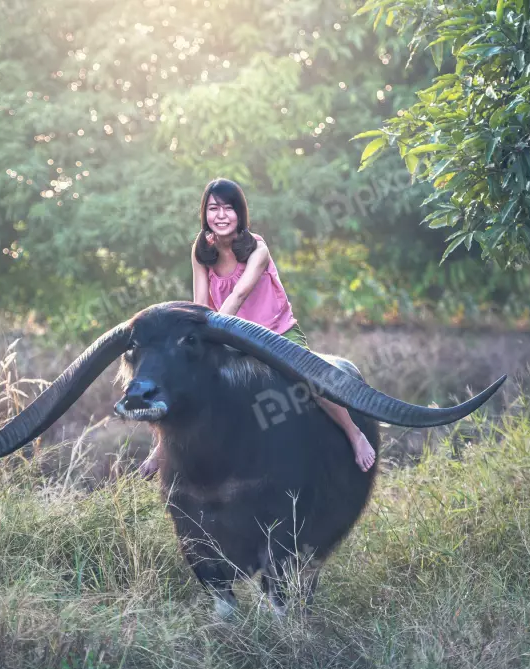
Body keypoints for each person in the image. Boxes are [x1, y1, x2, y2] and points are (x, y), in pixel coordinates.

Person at [138, 178, 376, 478]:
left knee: (312, 379)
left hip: (274, 332)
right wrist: (196, 340)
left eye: (228, 208)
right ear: (205, 214)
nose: (221, 215)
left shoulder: (257, 248)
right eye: (213, 209)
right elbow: (199, 303)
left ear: (240, 213)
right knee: (187, 380)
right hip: (230, 335)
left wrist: (212, 332)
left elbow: (238, 294)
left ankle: (355, 435)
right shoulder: (200, 251)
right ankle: (160, 450)